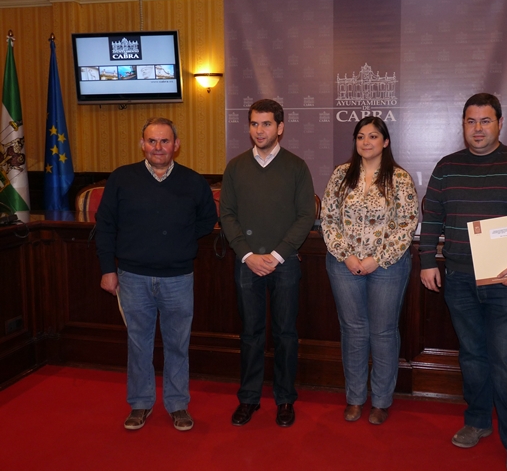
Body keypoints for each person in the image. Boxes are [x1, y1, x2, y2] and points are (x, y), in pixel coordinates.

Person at [419, 93, 507, 471]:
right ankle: (477, 421)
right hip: (459, 279)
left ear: (500, 123)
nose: (478, 128)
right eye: (471, 121)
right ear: (463, 125)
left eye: (485, 121)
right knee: (472, 357)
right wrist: (427, 262)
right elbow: (432, 217)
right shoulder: (447, 167)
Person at [96, 117, 217, 432]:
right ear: (142, 144)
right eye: (152, 141)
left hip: (178, 278)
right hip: (132, 277)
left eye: (165, 141)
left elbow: (207, 220)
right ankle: (140, 402)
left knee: (178, 343)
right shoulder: (122, 178)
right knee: (139, 344)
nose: (158, 147)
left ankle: (177, 404)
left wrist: (180, 240)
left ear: (176, 145)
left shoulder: (193, 181)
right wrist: (108, 269)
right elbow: (105, 226)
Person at [220, 98, 316, 428]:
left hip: (284, 263)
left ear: (280, 127)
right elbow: (227, 214)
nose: (259, 130)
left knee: (286, 333)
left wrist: (276, 255)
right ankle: (248, 398)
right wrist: (248, 255)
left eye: (266, 124)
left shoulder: (296, 166)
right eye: (254, 124)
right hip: (247, 262)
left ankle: (285, 399)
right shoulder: (236, 167)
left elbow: (306, 215)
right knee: (250, 333)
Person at [321, 116, 419, 425]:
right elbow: (328, 219)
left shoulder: (399, 178)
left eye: (373, 136)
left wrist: (377, 259)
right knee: (353, 330)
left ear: (385, 142)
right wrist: (347, 256)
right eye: (361, 136)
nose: (366, 142)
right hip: (343, 264)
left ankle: (381, 401)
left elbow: (407, 224)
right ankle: (355, 398)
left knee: (383, 331)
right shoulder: (341, 175)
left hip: (388, 265)